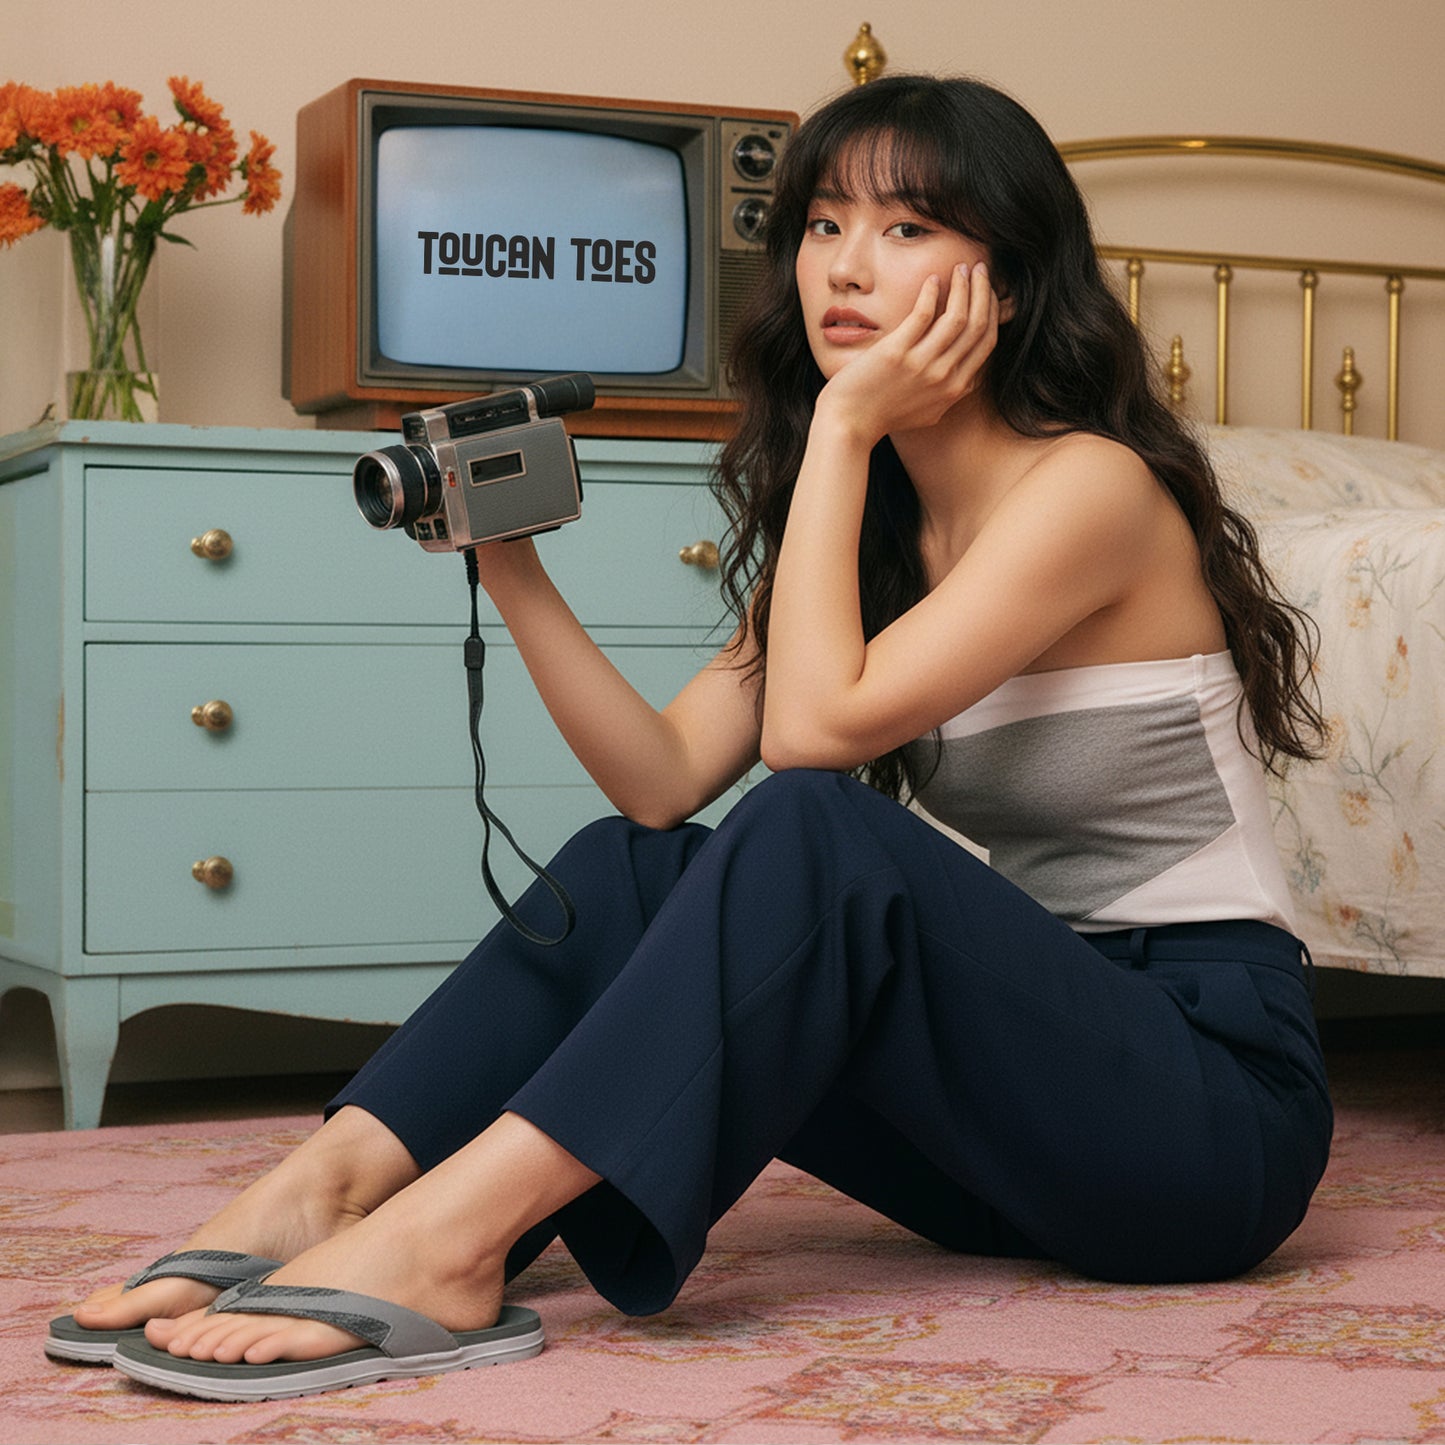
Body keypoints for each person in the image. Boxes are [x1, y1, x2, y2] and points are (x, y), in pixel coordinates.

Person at [47, 73, 1333, 1402]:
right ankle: (328, 1188)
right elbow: (658, 783)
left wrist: (839, 428)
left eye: (905, 230)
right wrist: (512, 571)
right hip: (1015, 1125)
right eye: (823, 224)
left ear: (1002, 287)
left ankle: (448, 1238)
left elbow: (810, 746)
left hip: (1202, 1116)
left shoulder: (1091, 489)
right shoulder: (870, 530)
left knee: (817, 823)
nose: (844, 266)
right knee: (623, 866)